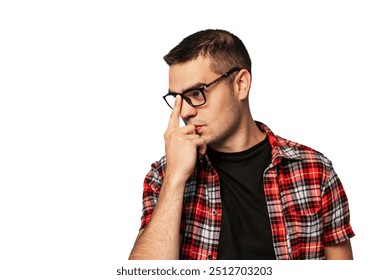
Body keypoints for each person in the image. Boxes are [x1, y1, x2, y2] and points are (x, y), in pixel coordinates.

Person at [128, 29, 355, 260]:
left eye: (197, 93)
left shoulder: (315, 171)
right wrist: (175, 179)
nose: (185, 112)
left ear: (241, 84)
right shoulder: (163, 176)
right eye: (177, 99)